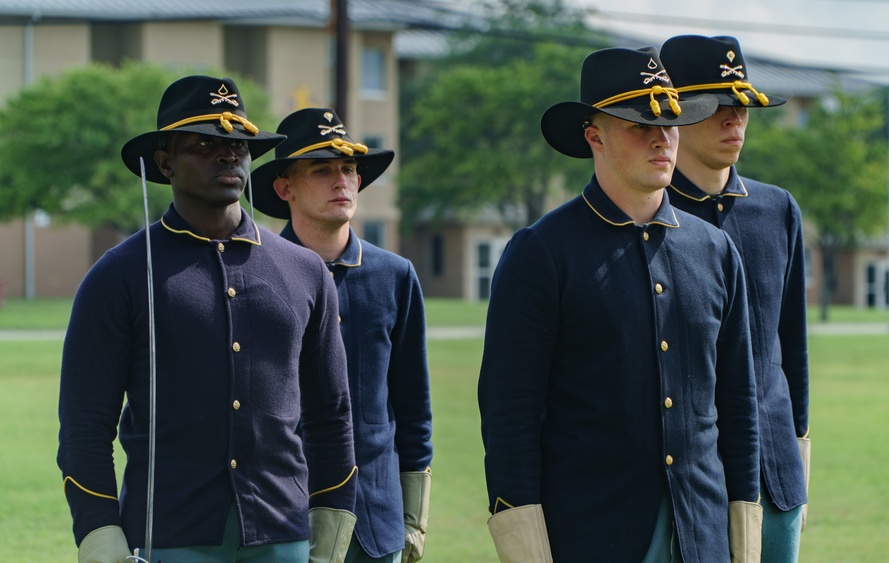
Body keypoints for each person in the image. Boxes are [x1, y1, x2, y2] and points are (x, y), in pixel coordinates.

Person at [478, 46, 763, 563]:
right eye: (639, 124)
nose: (661, 138)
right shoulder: (542, 252)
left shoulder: (716, 251)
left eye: (671, 123)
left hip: (702, 534)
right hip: (587, 535)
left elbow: (739, 407)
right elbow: (510, 417)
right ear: (594, 135)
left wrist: (742, 536)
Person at [57, 75, 358, 563]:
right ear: (165, 161)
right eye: (205, 143)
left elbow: (331, 416)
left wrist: (331, 521)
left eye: (238, 144)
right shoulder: (120, 275)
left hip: (284, 534)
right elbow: (84, 426)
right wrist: (99, 533)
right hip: (168, 536)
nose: (228, 155)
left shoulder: (305, 272)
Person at [249, 107, 433, 563]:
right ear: (284, 187)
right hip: (281, 520)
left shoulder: (396, 275)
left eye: (349, 168)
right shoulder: (252, 274)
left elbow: (412, 408)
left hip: (376, 525)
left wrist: (414, 518)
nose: (342, 181)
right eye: (322, 169)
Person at [660, 35, 811, 562]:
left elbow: (792, 350)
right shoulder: (649, 217)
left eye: (742, 103)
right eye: (718, 105)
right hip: (690, 485)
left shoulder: (778, 210)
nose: (735, 118)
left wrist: (797, 457)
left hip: (776, 480)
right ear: (673, 112)